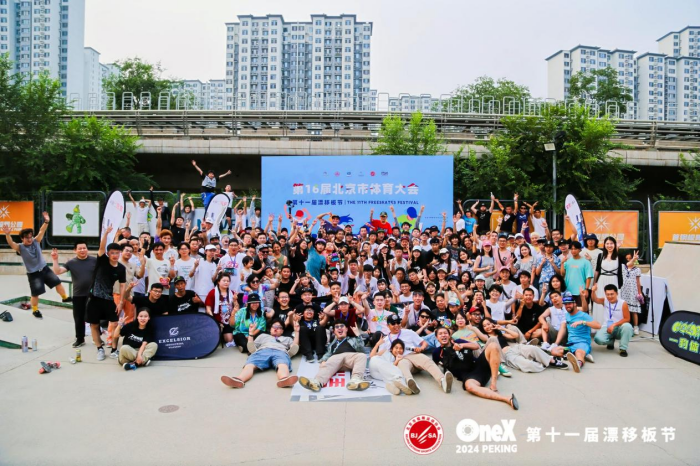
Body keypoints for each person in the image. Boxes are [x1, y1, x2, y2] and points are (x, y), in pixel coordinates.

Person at [3, 212, 71, 319]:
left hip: (44, 269)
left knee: (57, 282)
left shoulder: (36, 241)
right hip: (34, 274)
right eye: (27, 238)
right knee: (35, 294)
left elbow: (41, 231)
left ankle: (65, 297)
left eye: (30, 237)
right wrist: (7, 234)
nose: (30, 239)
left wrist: (46, 221)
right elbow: (11, 243)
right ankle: (35, 310)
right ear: (22, 239)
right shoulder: (20, 247)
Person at [432, 326, 519, 410]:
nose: (443, 335)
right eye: (440, 334)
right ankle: (506, 399)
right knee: (469, 387)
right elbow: (434, 366)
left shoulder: (458, 341)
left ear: (449, 335)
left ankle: (493, 385)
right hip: (469, 377)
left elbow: (476, 346)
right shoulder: (436, 352)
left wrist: (462, 345)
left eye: (445, 333)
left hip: (478, 366)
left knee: (493, 345)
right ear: (437, 337)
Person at [220, 318, 301, 389]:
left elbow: (294, 349)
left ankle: (284, 379)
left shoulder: (287, 339)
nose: (276, 329)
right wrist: (251, 333)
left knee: (283, 364)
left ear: (282, 331)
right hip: (263, 351)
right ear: (270, 329)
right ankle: (239, 379)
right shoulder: (263, 336)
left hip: (280, 352)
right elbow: (251, 348)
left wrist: (297, 332)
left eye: (279, 327)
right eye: (274, 326)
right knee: (250, 364)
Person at [86, 226, 127, 361]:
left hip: (109, 299)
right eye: (112, 253)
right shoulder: (102, 260)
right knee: (94, 325)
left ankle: (114, 349)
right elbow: (102, 247)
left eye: (117, 253)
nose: (115, 255)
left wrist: (121, 302)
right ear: (108, 253)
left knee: (114, 323)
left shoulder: (121, 268)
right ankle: (100, 349)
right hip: (94, 298)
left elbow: (122, 285)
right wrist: (106, 233)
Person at [299, 320, 371, 392]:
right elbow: (328, 354)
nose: (339, 328)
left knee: (362, 355)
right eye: (337, 327)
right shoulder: (332, 344)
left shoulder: (353, 339)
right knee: (330, 362)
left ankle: (355, 381)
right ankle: (316, 382)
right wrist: (323, 360)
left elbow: (362, 349)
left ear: (346, 329)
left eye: (342, 326)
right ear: (334, 331)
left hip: (350, 358)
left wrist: (358, 335)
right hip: (336, 359)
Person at [51, 242, 97, 347]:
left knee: (94, 317)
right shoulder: (71, 263)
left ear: (87, 249)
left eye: (84, 248)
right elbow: (58, 271)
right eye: (80, 248)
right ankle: (80, 339)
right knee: (78, 318)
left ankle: (96, 338)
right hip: (78, 294)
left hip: (93, 294)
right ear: (75, 250)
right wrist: (55, 259)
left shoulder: (94, 260)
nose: (82, 250)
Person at [550, 289, 601, 372]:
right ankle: (580, 355)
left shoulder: (583, 315)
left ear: (575, 304)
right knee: (554, 351)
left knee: (579, 352)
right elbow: (563, 328)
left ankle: (578, 364)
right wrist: (556, 343)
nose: (567, 306)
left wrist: (583, 322)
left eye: (569, 303)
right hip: (570, 345)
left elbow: (598, 325)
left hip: (582, 343)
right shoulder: (566, 315)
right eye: (566, 304)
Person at [591, 284, 634, 357]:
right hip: (607, 327)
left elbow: (627, 319)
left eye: (612, 294)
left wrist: (614, 325)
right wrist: (593, 291)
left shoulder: (623, 303)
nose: (610, 296)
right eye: (607, 294)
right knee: (598, 339)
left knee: (628, 326)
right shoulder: (605, 300)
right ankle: (610, 341)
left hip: (619, 327)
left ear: (617, 293)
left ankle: (623, 349)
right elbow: (595, 299)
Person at [592, 236, 624, 328]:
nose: (609, 245)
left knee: (613, 302)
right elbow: (597, 270)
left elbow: (627, 265)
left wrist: (633, 259)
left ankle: (614, 326)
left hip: (614, 280)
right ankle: (600, 325)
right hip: (602, 281)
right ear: (604, 245)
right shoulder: (601, 256)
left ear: (614, 245)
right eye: (607, 243)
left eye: (611, 243)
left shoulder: (619, 256)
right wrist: (595, 282)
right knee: (601, 302)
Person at [205, 272, 239, 347]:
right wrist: (214, 321)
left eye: (228, 281)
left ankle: (223, 335)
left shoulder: (232, 293)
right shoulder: (212, 292)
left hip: (229, 320)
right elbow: (208, 308)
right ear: (218, 281)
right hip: (216, 321)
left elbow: (237, 309)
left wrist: (235, 300)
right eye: (224, 281)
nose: (226, 282)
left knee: (229, 340)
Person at [562, 241, 593, 306]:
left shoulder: (586, 262)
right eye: (572, 249)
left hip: (581, 291)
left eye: (575, 249)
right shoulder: (567, 261)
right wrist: (562, 263)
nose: (573, 251)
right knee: (569, 309)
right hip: (568, 291)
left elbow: (588, 277)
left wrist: (586, 289)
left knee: (582, 310)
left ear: (580, 250)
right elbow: (562, 274)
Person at [621, 251, 643, 335]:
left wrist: (639, 293)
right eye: (627, 258)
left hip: (633, 291)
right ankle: (624, 327)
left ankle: (636, 327)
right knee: (623, 310)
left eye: (630, 258)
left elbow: (638, 282)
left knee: (634, 311)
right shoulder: (623, 267)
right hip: (624, 290)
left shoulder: (637, 269)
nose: (628, 260)